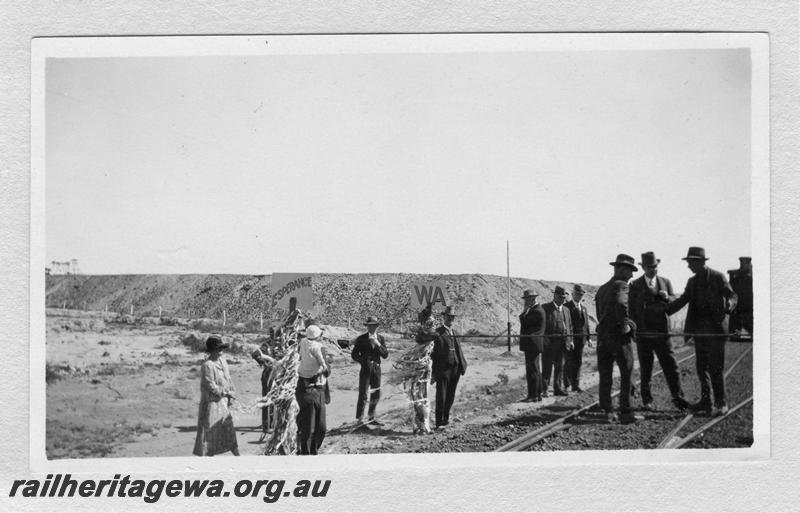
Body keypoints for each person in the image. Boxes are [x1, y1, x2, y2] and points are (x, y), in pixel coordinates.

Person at [667, 247, 737, 416]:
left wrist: (730, 304)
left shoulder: (717, 277)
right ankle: (706, 402)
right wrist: (664, 310)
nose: (688, 266)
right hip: (699, 331)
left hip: (716, 331)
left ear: (700, 262)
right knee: (701, 368)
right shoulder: (692, 282)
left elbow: (732, 295)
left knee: (715, 368)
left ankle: (721, 403)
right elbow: (683, 300)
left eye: (690, 263)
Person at [629, 252, 690, 411]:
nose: (653, 270)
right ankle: (647, 401)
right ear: (643, 267)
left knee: (671, 367)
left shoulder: (666, 283)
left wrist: (667, 298)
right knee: (646, 369)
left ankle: (678, 398)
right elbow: (631, 311)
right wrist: (635, 331)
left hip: (663, 334)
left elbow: (672, 305)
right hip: (644, 335)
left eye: (655, 267)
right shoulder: (635, 285)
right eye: (649, 267)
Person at [595, 254, 640, 423]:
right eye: (630, 271)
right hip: (619, 338)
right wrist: (626, 324)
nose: (632, 275)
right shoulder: (622, 285)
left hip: (603, 337)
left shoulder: (602, 288)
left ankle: (607, 411)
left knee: (605, 374)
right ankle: (626, 412)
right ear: (621, 269)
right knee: (627, 372)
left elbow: (599, 313)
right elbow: (622, 305)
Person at [193, 336, 240, 456]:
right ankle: (208, 460)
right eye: (217, 349)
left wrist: (232, 392)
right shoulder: (207, 365)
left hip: (223, 403)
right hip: (212, 404)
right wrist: (225, 392)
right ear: (211, 350)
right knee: (209, 434)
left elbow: (228, 378)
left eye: (221, 349)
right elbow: (211, 386)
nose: (220, 352)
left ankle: (238, 457)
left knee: (228, 429)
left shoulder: (223, 361)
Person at [295, 324, 329, 455]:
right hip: (313, 391)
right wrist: (323, 370)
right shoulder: (318, 348)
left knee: (310, 426)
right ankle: (308, 453)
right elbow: (326, 369)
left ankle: (309, 451)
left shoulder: (302, 344)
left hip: (306, 389)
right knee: (314, 427)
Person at [433, 306, 468, 428]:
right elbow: (434, 355)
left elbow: (459, 350)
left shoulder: (456, 333)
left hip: (455, 369)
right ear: (444, 317)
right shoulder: (437, 333)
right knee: (441, 396)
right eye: (448, 317)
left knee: (450, 396)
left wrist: (462, 365)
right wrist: (434, 373)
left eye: (452, 317)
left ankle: (445, 419)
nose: (450, 319)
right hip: (443, 370)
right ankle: (438, 422)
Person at [350, 316, 389, 424]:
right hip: (366, 369)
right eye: (369, 326)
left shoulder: (381, 338)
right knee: (363, 393)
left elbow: (385, 355)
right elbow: (354, 354)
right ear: (367, 327)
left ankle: (372, 417)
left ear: (377, 326)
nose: (372, 328)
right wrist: (363, 361)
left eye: (374, 325)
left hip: (377, 368)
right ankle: (360, 419)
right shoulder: (361, 338)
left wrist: (377, 343)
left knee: (375, 393)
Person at [541, 285, 574, 397]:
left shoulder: (566, 310)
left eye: (564, 298)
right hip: (549, 344)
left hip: (562, 343)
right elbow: (542, 327)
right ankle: (544, 389)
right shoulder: (545, 308)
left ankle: (557, 388)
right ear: (554, 296)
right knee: (547, 367)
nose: (562, 299)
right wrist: (544, 341)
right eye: (560, 297)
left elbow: (569, 326)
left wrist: (571, 340)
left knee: (559, 367)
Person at [519, 289, 546, 402]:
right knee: (535, 369)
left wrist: (524, 311)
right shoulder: (537, 310)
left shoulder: (536, 311)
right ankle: (537, 394)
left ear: (532, 299)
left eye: (527, 299)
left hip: (532, 345)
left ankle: (533, 395)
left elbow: (524, 322)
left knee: (532, 371)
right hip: (533, 345)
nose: (525, 302)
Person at [564, 284, 590, 393]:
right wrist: (569, 340)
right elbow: (566, 324)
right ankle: (566, 384)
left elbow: (586, 325)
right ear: (572, 294)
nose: (579, 296)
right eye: (577, 294)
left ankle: (576, 384)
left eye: (581, 295)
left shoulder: (583, 308)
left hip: (581, 340)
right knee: (569, 362)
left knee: (578, 362)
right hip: (571, 340)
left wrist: (588, 338)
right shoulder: (567, 307)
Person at [728, 257, 753, 337]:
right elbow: (730, 290)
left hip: (748, 308)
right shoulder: (736, 276)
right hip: (738, 308)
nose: (742, 265)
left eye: (745, 263)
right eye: (742, 263)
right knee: (734, 334)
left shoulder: (752, 276)